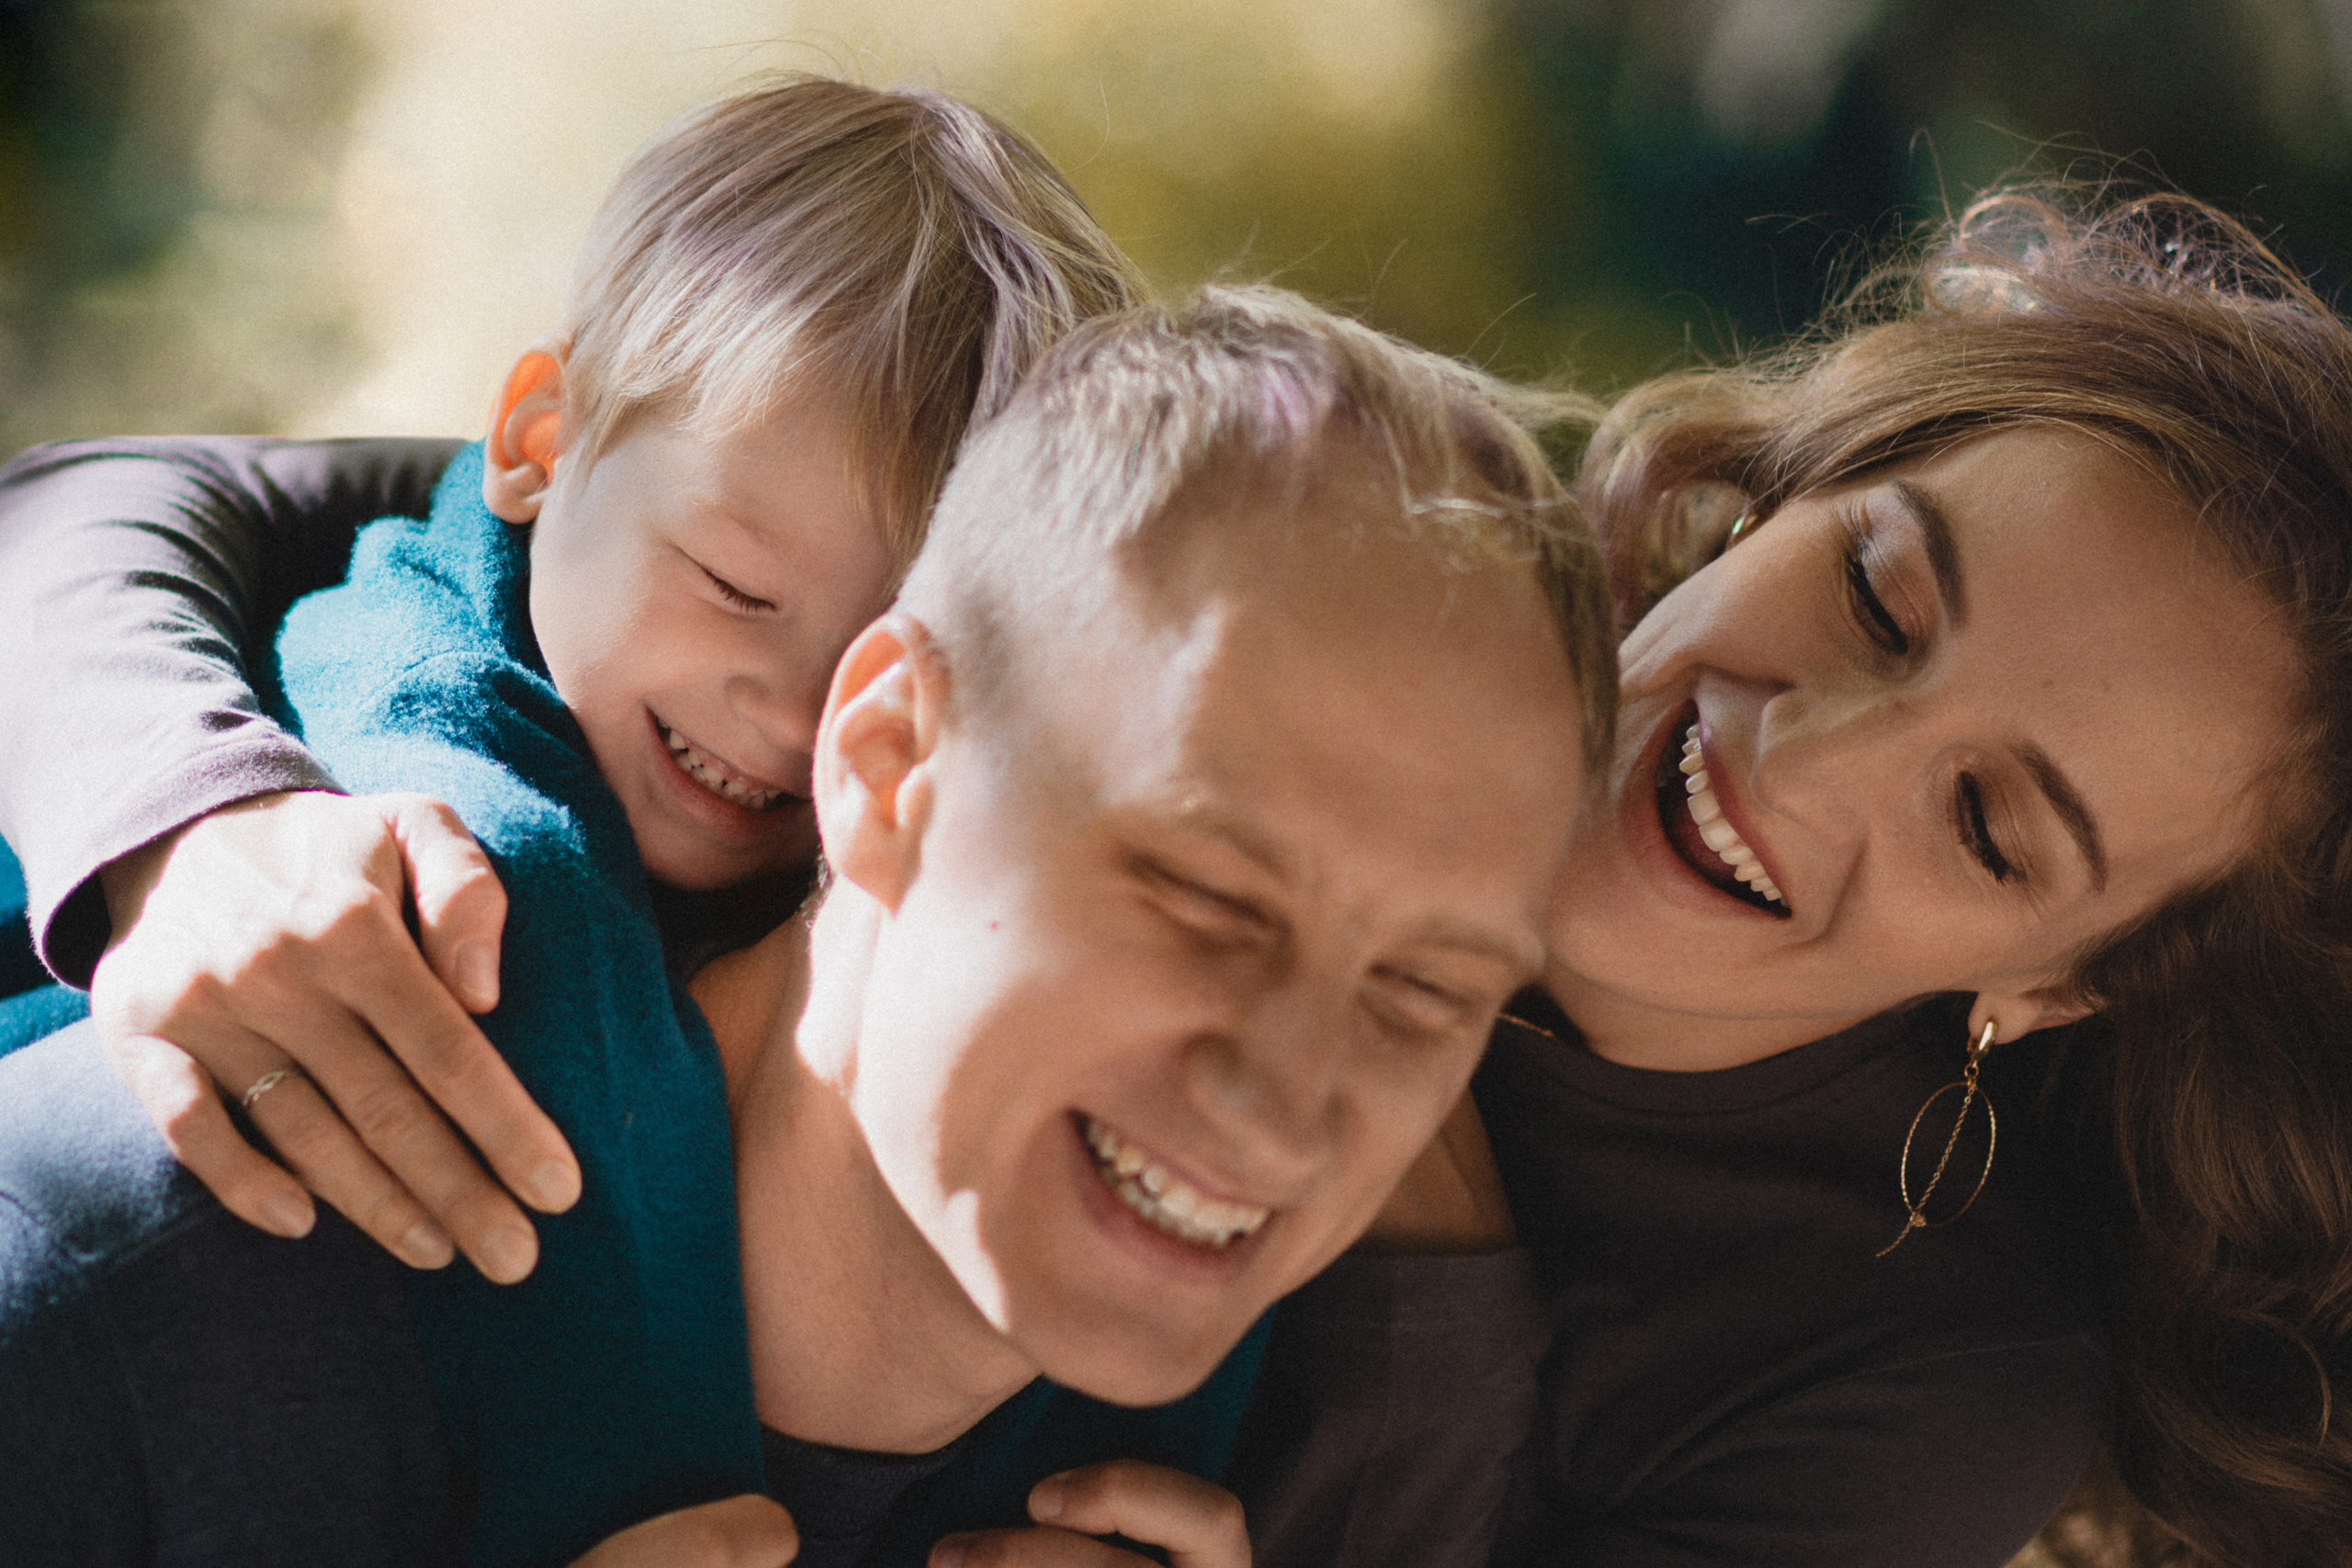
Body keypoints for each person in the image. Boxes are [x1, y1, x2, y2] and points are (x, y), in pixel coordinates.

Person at [6, 182, 2346, 1568]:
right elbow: (484, 507)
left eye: (1984, 821)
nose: (1795, 749)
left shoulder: (1906, 1377)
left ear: (2071, 981)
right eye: (1870, 590)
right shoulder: (1379, 542)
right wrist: (184, 810)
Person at [0, 283, 1614, 1568]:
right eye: (1205, 895)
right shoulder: (128, 1256)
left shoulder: (1235, 1468)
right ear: (887, 758)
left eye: (1421, 991)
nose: (1285, 1098)